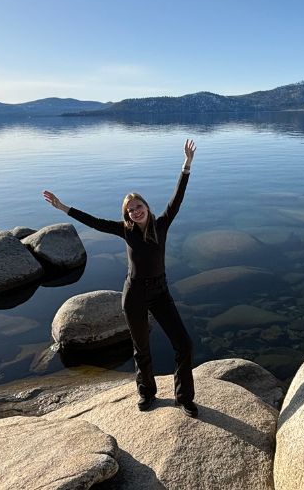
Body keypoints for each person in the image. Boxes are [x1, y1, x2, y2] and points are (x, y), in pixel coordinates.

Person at [42, 139, 198, 417]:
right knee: (141, 348)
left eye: (139, 206)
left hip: (160, 292)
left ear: (147, 207)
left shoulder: (161, 224)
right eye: (130, 210)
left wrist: (186, 165)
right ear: (127, 214)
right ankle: (147, 393)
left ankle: (183, 397)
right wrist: (63, 208)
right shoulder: (125, 230)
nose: (135, 211)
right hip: (135, 294)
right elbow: (93, 222)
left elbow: (177, 198)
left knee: (183, 344)